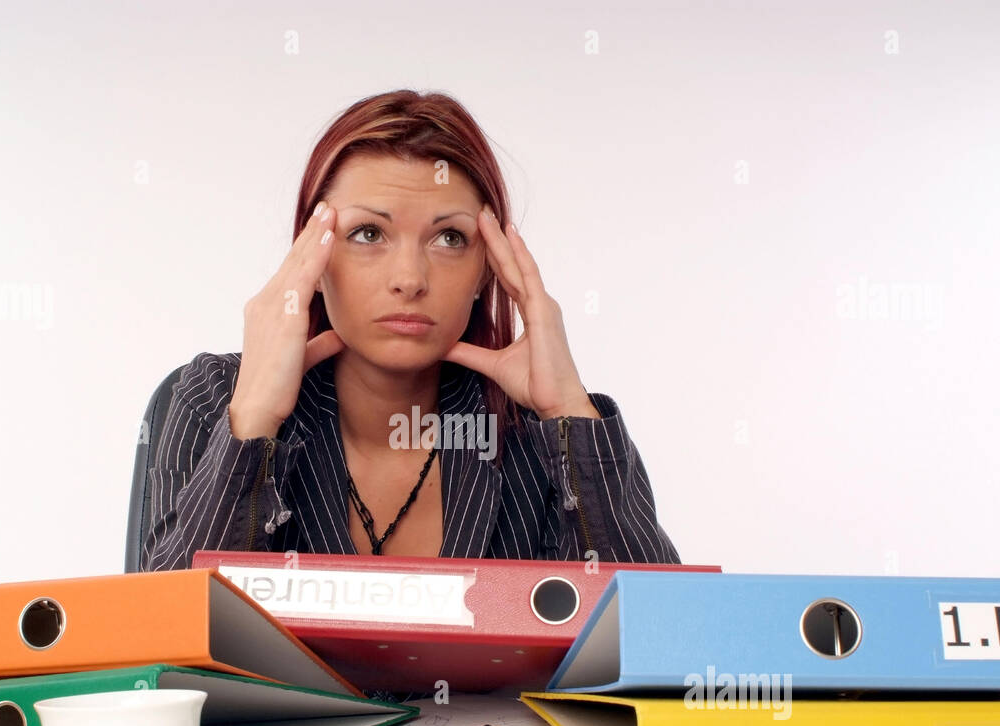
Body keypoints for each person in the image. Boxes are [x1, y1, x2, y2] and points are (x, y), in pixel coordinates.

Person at [141, 90, 680, 572]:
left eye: (448, 238)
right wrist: (255, 418)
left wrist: (566, 408)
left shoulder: (537, 433)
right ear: (313, 256)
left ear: (486, 269)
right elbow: (159, 637)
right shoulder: (215, 397)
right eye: (368, 232)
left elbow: (659, 640)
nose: (409, 280)